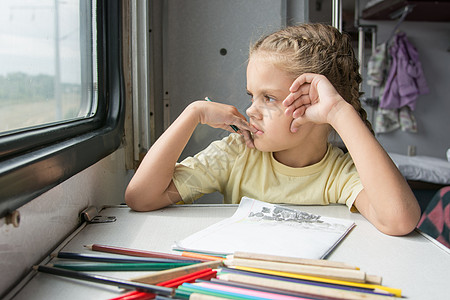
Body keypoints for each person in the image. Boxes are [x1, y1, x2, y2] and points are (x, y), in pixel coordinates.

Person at [125, 23, 421, 236]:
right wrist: (192, 114)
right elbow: (141, 197)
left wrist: (337, 111)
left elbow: (399, 220)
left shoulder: (338, 174)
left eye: (268, 98)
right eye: (251, 95)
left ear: (313, 103)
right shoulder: (237, 154)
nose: (252, 109)